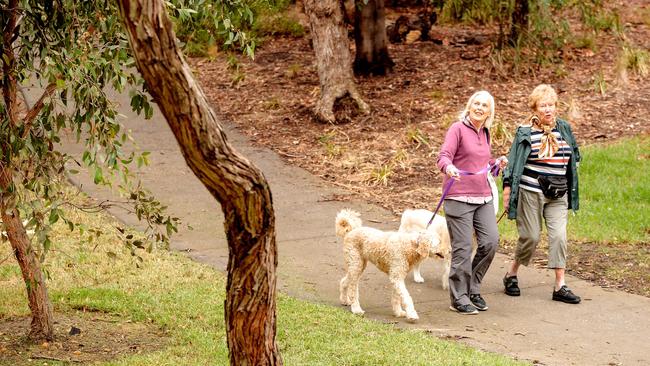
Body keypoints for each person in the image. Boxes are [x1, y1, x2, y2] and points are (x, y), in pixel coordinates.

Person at [501, 84, 582, 304]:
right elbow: (512, 164)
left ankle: (560, 286)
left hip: (558, 192)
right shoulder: (525, 132)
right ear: (535, 109)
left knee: (559, 236)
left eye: (551, 105)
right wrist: (507, 191)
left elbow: (574, 156)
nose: (548, 109)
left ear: (556, 107)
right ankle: (511, 274)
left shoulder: (564, 128)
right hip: (531, 191)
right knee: (531, 237)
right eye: (543, 105)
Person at [437, 90, 508, 315]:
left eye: (484, 105)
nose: (479, 108)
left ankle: (472, 288)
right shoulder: (457, 129)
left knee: (490, 242)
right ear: (469, 106)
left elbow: (484, 164)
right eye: (475, 103)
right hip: (458, 197)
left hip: (483, 197)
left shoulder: (485, 132)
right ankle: (458, 297)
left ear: (489, 112)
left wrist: (497, 163)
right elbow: (443, 156)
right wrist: (449, 167)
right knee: (463, 248)